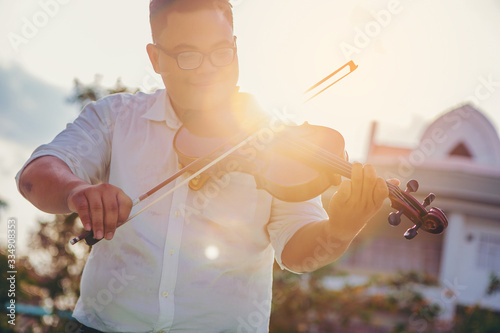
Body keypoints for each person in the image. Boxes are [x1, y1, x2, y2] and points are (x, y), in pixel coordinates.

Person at [16, 0, 396, 332]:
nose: (207, 69)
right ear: (155, 58)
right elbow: (36, 176)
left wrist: (341, 229)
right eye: (187, 55)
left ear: (235, 47)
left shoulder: (274, 137)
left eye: (220, 52)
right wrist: (76, 190)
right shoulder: (116, 117)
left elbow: (297, 252)